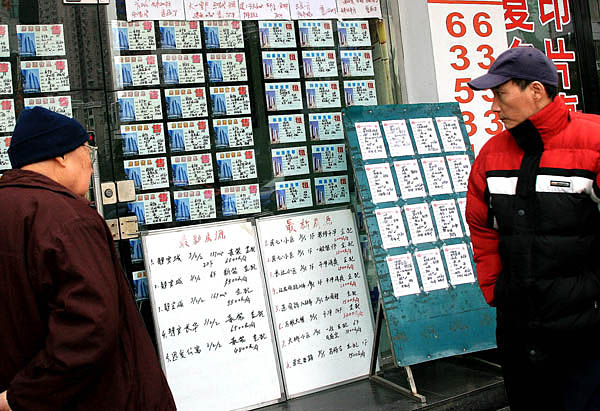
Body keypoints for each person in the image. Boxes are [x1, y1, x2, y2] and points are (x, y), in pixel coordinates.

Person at [0, 107, 176, 410]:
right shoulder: (67, 219)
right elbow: (90, 325)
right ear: (61, 156)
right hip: (90, 397)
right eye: (87, 151)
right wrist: (23, 395)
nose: (92, 166)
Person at [466, 46, 600, 410]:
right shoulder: (492, 154)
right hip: (518, 329)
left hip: (585, 331)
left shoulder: (593, 142)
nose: (493, 107)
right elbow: (482, 227)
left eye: (501, 93)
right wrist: (496, 288)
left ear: (536, 90)